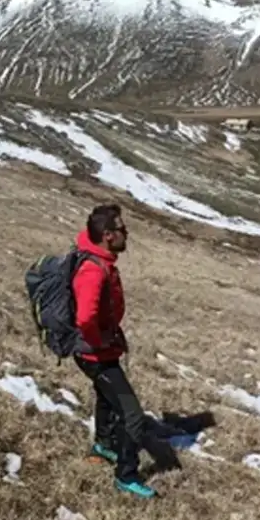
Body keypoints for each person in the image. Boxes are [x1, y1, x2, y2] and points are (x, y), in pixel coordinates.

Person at [71, 203, 162, 498]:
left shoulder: (99, 260)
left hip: (99, 351)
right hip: (94, 354)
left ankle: (103, 445)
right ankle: (126, 476)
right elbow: (85, 317)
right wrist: (98, 342)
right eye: (123, 229)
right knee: (132, 415)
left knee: (106, 397)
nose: (127, 233)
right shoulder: (93, 270)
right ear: (108, 235)